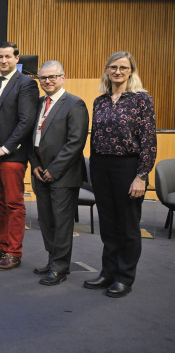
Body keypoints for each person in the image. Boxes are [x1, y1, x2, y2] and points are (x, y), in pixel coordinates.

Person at [84, 51, 156, 298]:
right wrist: (93, 170)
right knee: (108, 224)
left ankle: (124, 277)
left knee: (127, 224)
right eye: (113, 67)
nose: (117, 71)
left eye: (123, 68)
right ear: (106, 70)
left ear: (131, 71)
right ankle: (108, 272)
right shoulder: (100, 101)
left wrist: (141, 176)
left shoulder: (142, 100)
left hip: (128, 167)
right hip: (102, 167)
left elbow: (148, 141)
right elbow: (95, 139)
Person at [29, 61, 88, 286]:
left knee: (62, 222)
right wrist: (34, 163)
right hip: (39, 172)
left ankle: (60, 268)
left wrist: (54, 170)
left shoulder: (75, 104)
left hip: (63, 175)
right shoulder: (38, 103)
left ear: (63, 77)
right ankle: (53, 259)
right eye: (43, 78)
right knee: (46, 220)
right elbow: (31, 138)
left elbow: (75, 143)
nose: (48, 81)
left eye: (53, 76)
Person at [0, 42, 38, 271]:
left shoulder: (26, 84)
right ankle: (1, 245)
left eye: (8, 56)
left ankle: (14, 252)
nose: (3, 60)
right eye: (0, 56)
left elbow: (26, 121)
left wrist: (5, 148)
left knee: (14, 204)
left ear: (17, 59)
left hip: (11, 154)